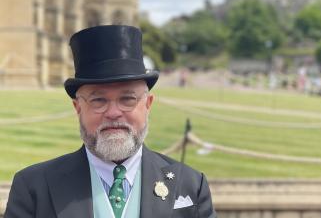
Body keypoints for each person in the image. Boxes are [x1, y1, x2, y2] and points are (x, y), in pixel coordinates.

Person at [4, 25, 216, 218]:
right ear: (78, 107)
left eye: (127, 99)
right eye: (98, 100)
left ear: (148, 104)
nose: (113, 113)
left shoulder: (190, 185)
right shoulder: (33, 187)